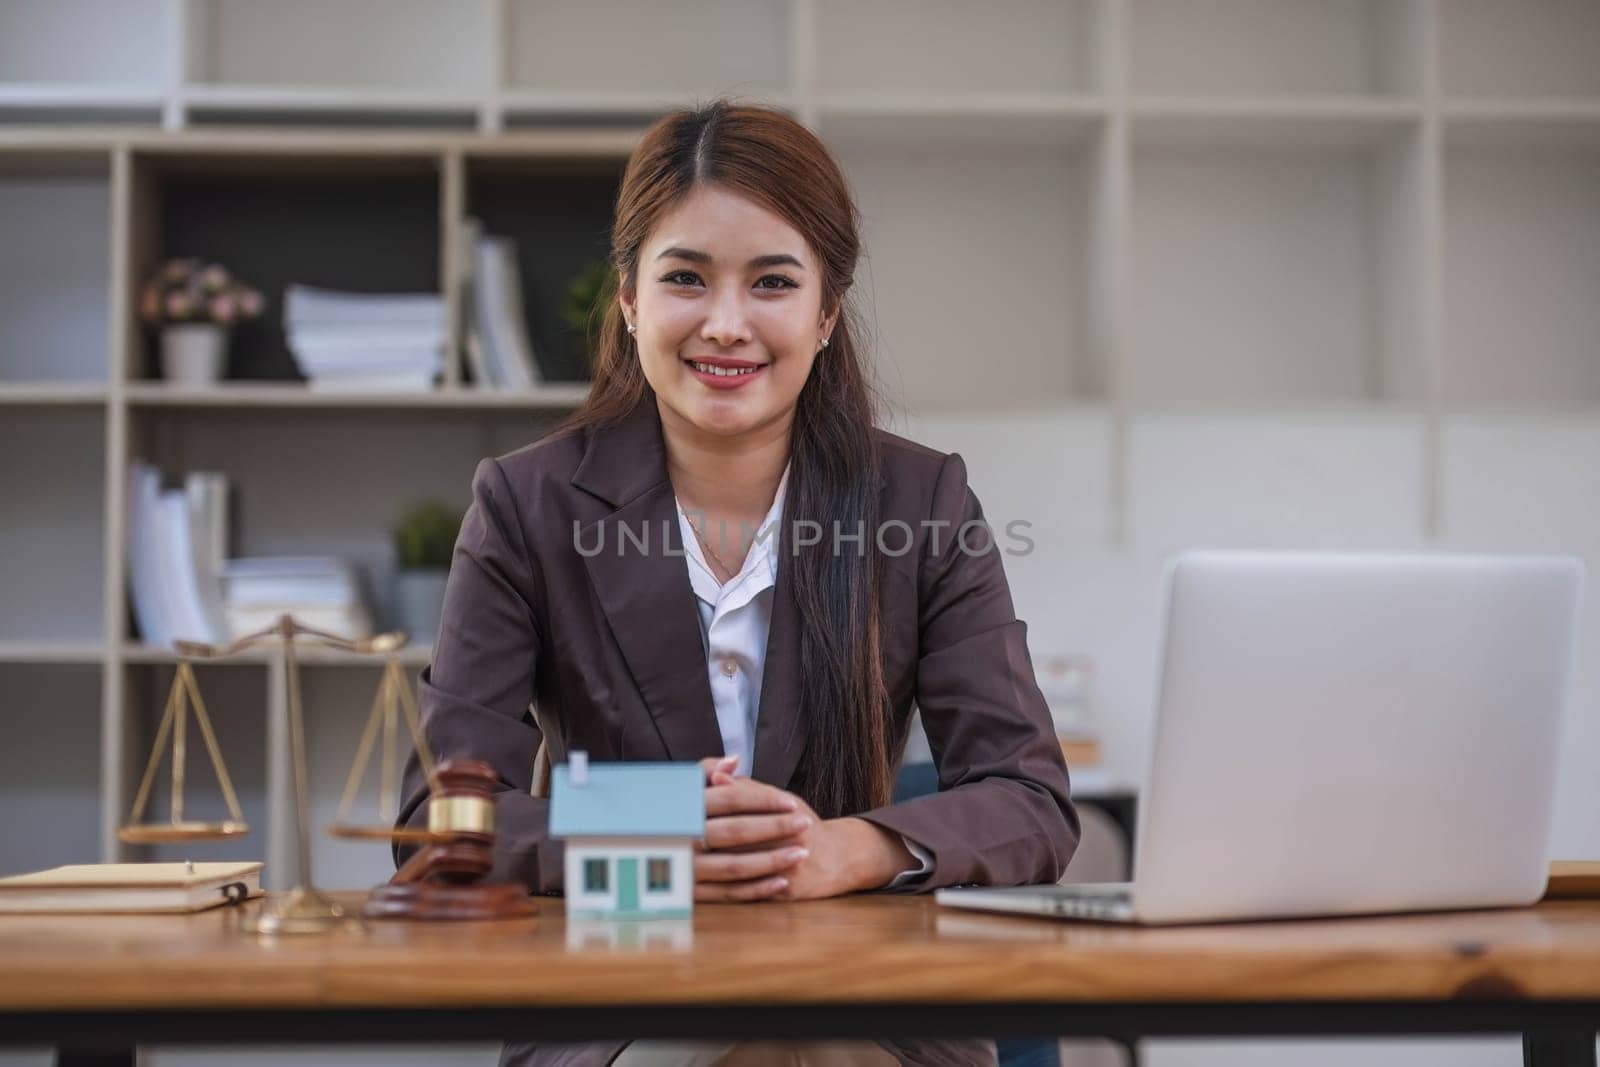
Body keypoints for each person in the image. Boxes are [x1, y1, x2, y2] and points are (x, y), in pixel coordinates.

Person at [393, 99, 1079, 1067]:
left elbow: (1029, 798)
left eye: (771, 282)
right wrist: (659, 833)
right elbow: (439, 823)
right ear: (628, 298)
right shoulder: (526, 504)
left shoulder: (922, 499)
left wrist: (849, 848)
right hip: (624, 999)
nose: (726, 324)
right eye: (684, 277)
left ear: (825, 311)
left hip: (858, 1003)